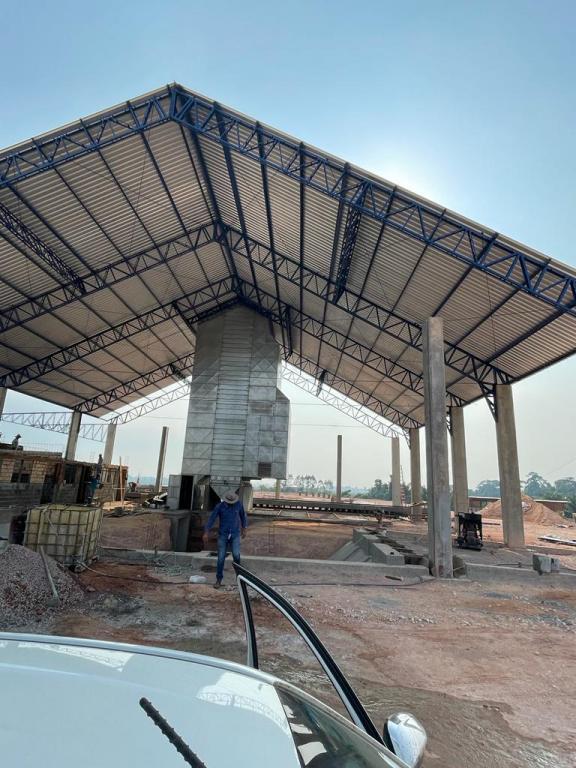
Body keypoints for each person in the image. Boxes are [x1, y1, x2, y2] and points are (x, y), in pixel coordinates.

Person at [202, 490, 247, 589]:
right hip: (223, 534)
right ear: (226, 500)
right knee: (221, 558)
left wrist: (244, 528)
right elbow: (211, 519)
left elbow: (243, 516)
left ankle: (239, 577)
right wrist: (206, 532)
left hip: (235, 534)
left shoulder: (238, 505)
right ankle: (218, 579)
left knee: (236, 555)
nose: (231, 504)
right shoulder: (220, 507)